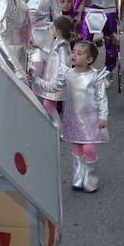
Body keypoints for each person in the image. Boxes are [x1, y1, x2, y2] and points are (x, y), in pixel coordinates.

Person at [35, 39, 109, 192]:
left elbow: (102, 98)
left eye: (79, 53)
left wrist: (103, 117)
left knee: (88, 148)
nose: (74, 55)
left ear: (89, 59)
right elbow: (52, 87)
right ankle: (78, 175)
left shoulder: (96, 76)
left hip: (90, 119)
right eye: (73, 52)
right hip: (73, 118)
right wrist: (35, 79)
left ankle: (91, 177)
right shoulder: (67, 73)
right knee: (76, 146)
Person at [32, 13, 74, 125]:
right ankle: (55, 126)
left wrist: (60, 80)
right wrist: (39, 46)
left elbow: (65, 64)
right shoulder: (57, 42)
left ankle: (57, 128)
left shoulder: (62, 46)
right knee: (50, 104)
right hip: (52, 78)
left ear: (59, 31)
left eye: (53, 28)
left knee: (48, 104)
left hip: (58, 80)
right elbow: (51, 53)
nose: (52, 30)